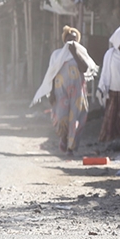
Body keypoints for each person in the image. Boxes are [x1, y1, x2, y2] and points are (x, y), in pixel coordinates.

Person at [31, 26, 98, 156]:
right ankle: (63, 137)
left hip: (77, 91)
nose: (71, 42)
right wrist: (51, 93)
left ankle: (70, 148)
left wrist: (74, 52)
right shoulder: (57, 55)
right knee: (62, 116)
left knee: (75, 118)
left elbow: (84, 68)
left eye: (74, 39)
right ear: (64, 40)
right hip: (60, 91)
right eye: (69, 39)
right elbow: (52, 73)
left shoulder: (81, 53)